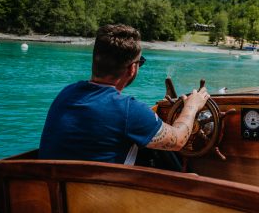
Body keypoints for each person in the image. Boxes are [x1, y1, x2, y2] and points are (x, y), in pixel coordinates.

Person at [39, 24, 210, 164]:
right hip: (100, 202)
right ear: (132, 68)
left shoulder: (66, 94)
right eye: (140, 62)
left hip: (55, 196)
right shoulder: (129, 110)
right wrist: (192, 106)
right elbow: (179, 140)